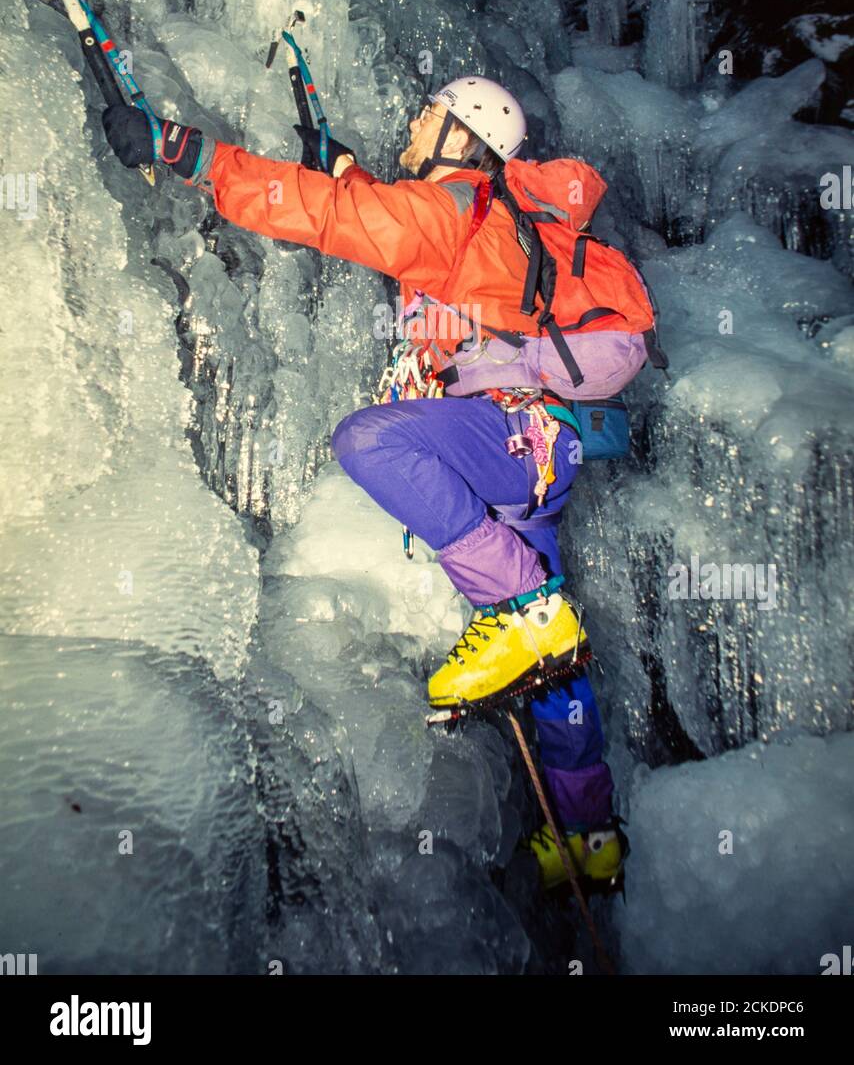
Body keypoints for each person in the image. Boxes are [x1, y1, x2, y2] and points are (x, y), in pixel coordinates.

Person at [103, 76, 625, 892]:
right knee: (554, 665)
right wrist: (343, 165)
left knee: (370, 442)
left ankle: (526, 609)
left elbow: (334, 218)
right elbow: (385, 216)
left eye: (429, 114)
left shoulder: (450, 210)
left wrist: (187, 151)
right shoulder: (495, 219)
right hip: (539, 451)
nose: (414, 122)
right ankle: (590, 834)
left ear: (463, 138)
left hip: (504, 437)